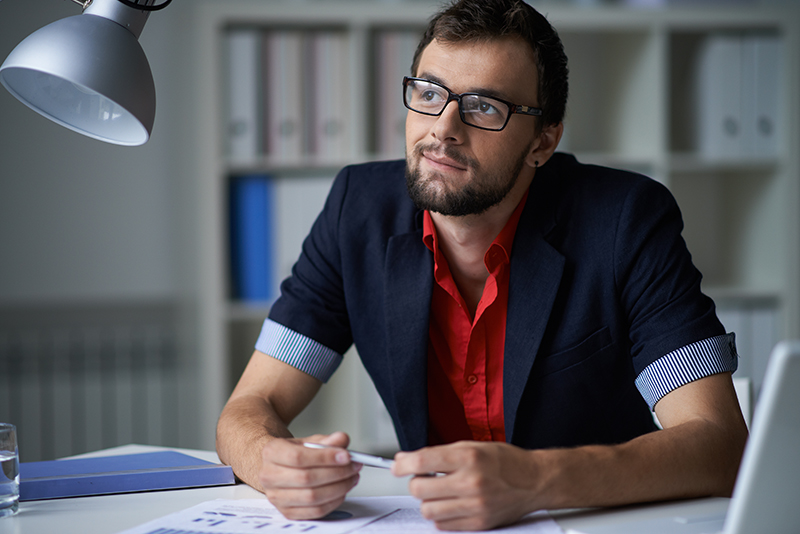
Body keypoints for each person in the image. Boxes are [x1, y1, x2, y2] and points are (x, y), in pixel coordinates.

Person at [216, 0, 748, 530]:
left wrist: (536, 480)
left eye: (485, 107)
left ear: (543, 141)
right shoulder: (357, 212)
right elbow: (250, 405)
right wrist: (270, 462)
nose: (443, 128)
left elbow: (719, 443)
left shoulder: (624, 222)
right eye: (429, 94)